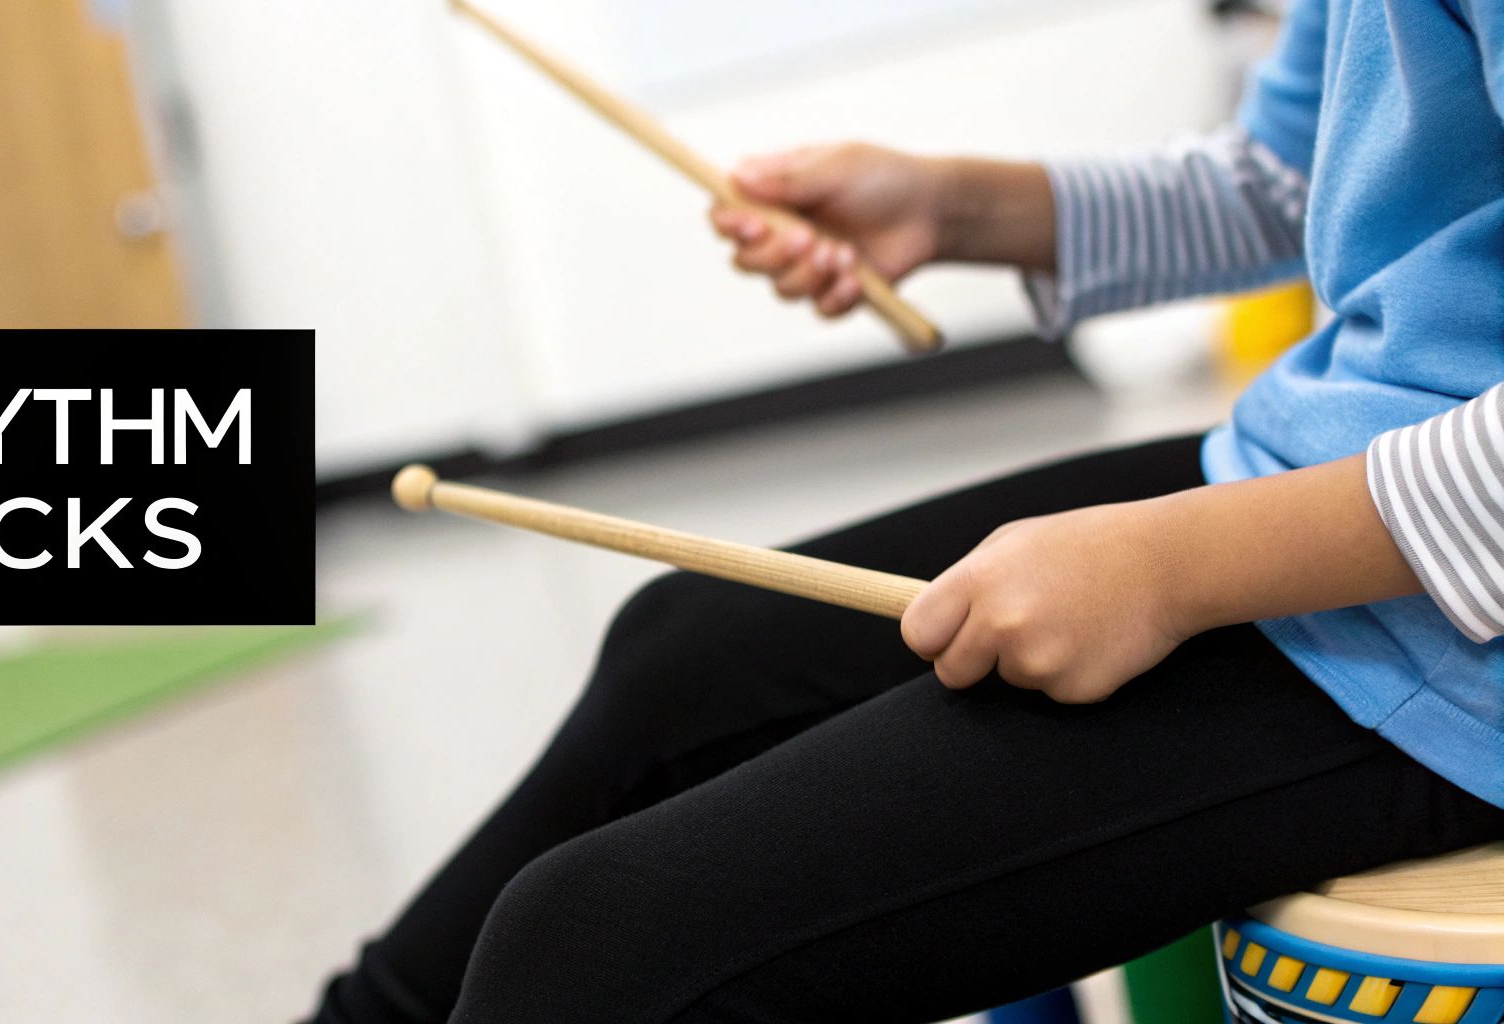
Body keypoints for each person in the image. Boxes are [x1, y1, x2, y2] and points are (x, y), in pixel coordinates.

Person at [307, 1, 1504, 1020]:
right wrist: (948, 205)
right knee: (676, 660)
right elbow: (1290, 173)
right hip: (1339, 468)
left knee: (586, 956)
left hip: (1458, 642)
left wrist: (1174, 565)